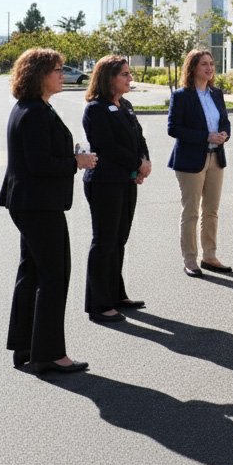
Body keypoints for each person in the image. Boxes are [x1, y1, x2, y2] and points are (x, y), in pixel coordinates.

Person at [0, 48, 98, 374]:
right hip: (38, 204)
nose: (62, 74)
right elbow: (39, 164)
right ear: (39, 74)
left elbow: (38, 154)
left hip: (30, 202)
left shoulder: (33, 107)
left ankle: (26, 346)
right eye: (56, 69)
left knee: (33, 272)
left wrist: (70, 154)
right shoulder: (35, 112)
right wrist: (76, 162)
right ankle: (50, 353)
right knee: (55, 276)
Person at [81, 55, 152, 324]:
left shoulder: (126, 105)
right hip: (104, 183)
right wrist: (136, 163)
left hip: (126, 180)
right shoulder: (96, 109)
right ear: (109, 77)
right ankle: (98, 304)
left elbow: (139, 138)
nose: (130, 78)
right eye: (124, 74)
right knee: (104, 241)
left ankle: (115, 293)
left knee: (119, 240)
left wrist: (144, 161)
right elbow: (107, 146)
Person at [167, 49, 231, 277]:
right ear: (193, 67)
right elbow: (173, 128)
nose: (209, 68)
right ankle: (190, 260)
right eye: (204, 63)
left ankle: (210, 256)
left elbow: (225, 121)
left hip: (216, 157)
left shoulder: (216, 94)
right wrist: (205, 136)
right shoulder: (182, 95)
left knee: (211, 211)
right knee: (191, 212)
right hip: (190, 160)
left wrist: (224, 134)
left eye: (212, 63)